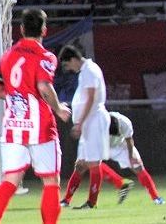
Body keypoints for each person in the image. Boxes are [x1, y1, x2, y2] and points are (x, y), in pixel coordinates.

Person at [0, 9, 71, 224]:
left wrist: (18, 95)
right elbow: (43, 85)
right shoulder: (46, 57)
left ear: (21, 29)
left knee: (10, 180)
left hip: (13, 126)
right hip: (40, 127)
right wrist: (59, 108)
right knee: (51, 181)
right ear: (44, 29)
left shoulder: (7, 56)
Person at [63, 111, 166, 206]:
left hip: (120, 145)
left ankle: (156, 198)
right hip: (99, 144)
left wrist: (131, 156)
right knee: (81, 167)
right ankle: (66, 200)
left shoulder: (124, 122)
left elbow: (129, 140)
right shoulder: (95, 124)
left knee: (138, 166)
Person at [59, 45, 111, 209]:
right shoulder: (86, 71)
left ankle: (92, 202)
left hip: (93, 120)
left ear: (73, 59)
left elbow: (90, 98)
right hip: (89, 121)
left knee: (94, 162)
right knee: (81, 164)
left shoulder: (89, 71)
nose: (68, 69)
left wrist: (79, 123)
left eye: (67, 65)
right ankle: (66, 200)